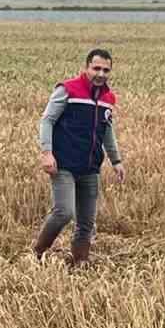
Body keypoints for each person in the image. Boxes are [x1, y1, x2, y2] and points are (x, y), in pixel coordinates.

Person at [33, 48, 125, 266]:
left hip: (90, 167)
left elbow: (107, 130)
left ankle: (79, 262)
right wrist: (46, 153)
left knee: (87, 222)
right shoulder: (68, 90)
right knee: (64, 212)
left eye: (106, 70)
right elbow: (47, 120)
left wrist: (116, 160)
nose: (101, 74)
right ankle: (37, 253)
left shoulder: (107, 98)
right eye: (96, 68)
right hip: (63, 164)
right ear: (86, 68)